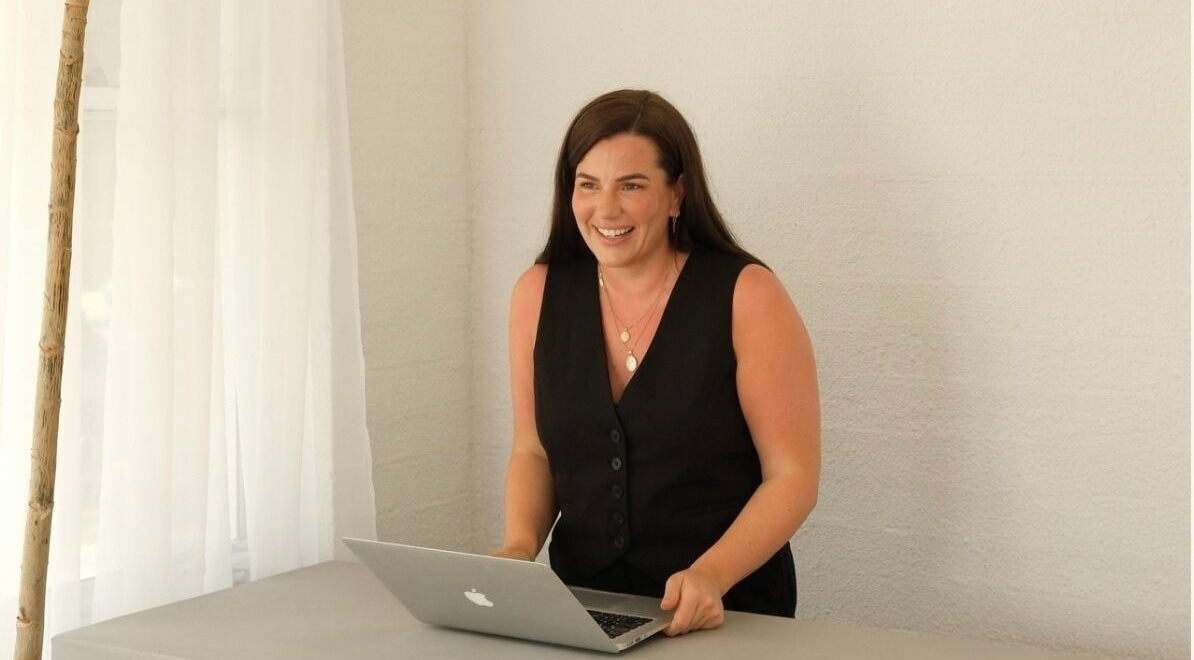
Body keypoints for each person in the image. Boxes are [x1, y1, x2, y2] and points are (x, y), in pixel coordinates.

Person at [492, 89, 820, 637]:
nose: (606, 210)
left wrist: (712, 574)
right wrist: (518, 549)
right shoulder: (536, 293)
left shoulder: (747, 295)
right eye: (588, 185)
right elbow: (532, 448)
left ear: (677, 195)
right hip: (580, 611)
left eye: (632, 186)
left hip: (727, 613)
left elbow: (792, 476)